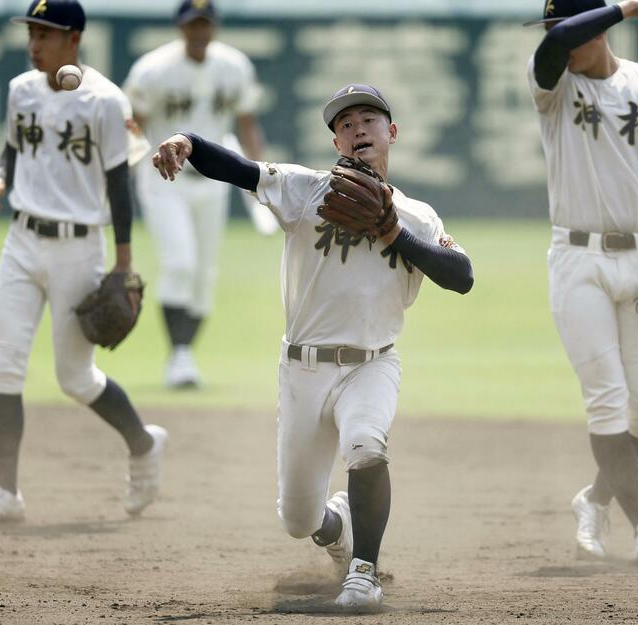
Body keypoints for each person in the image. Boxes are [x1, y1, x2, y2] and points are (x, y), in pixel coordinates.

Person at [151, 84, 473, 608]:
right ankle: (337, 530)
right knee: (298, 518)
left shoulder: (417, 215)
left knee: (367, 446)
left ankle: (363, 575)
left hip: (373, 364)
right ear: (337, 142)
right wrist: (187, 141)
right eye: (345, 124)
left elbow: (461, 276)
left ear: (391, 133)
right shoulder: (306, 190)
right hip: (302, 371)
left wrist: (394, 233)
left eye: (369, 119)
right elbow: (240, 168)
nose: (358, 129)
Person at [0, 0, 167, 524]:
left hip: (79, 248)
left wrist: (122, 264)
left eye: (45, 34)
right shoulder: (19, 90)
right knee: (5, 366)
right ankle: (7, 495)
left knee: (75, 378)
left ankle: (142, 444)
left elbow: (119, 183)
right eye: (31, 31)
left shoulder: (104, 101)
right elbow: (12, 151)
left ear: (73, 39)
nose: (34, 42)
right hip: (22, 242)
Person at [526, 0, 638, 565]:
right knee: (606, 403)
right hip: (577, 262)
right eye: (553, 26)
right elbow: (553, 48)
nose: (557, 35)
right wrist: (630, 7)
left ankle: (594, 499)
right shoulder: (554, 87)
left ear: (600, 31)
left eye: (566, 24)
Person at [122, 0, 267, 389]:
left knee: (204, 277)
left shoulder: (233, 66)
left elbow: (247, 123)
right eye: (192, 24)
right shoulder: (154, 69)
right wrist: (128, 166)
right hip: (163, 180)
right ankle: (180, 356)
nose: (199, 31)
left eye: (205, 24)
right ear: (180, 27)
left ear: (215, 27)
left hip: (213, 182)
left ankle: (183, 353)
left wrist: (262, 176)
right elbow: (132, 125)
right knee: (180, 263)